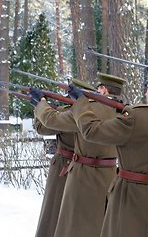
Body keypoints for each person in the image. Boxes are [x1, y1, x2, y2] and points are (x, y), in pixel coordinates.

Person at [67, 73, 148, 237]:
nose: (145, 93)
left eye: (147, 88)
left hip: (131, 196)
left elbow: (91, 131)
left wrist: (81, 104)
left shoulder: (137, 116)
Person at [29, 72, 126, 237]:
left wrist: (41, 104)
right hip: (111, 175)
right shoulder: (125, 112)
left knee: (72, 225)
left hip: (83, 176)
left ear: (102, 89)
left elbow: (48, 123)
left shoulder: (88, 110)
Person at [33, 79, 95, 237]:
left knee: (54, 214)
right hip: (86, 170)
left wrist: (40, 106)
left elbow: (42, 127)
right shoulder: (94, 112)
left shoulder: (71, 113)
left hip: (64, 167)